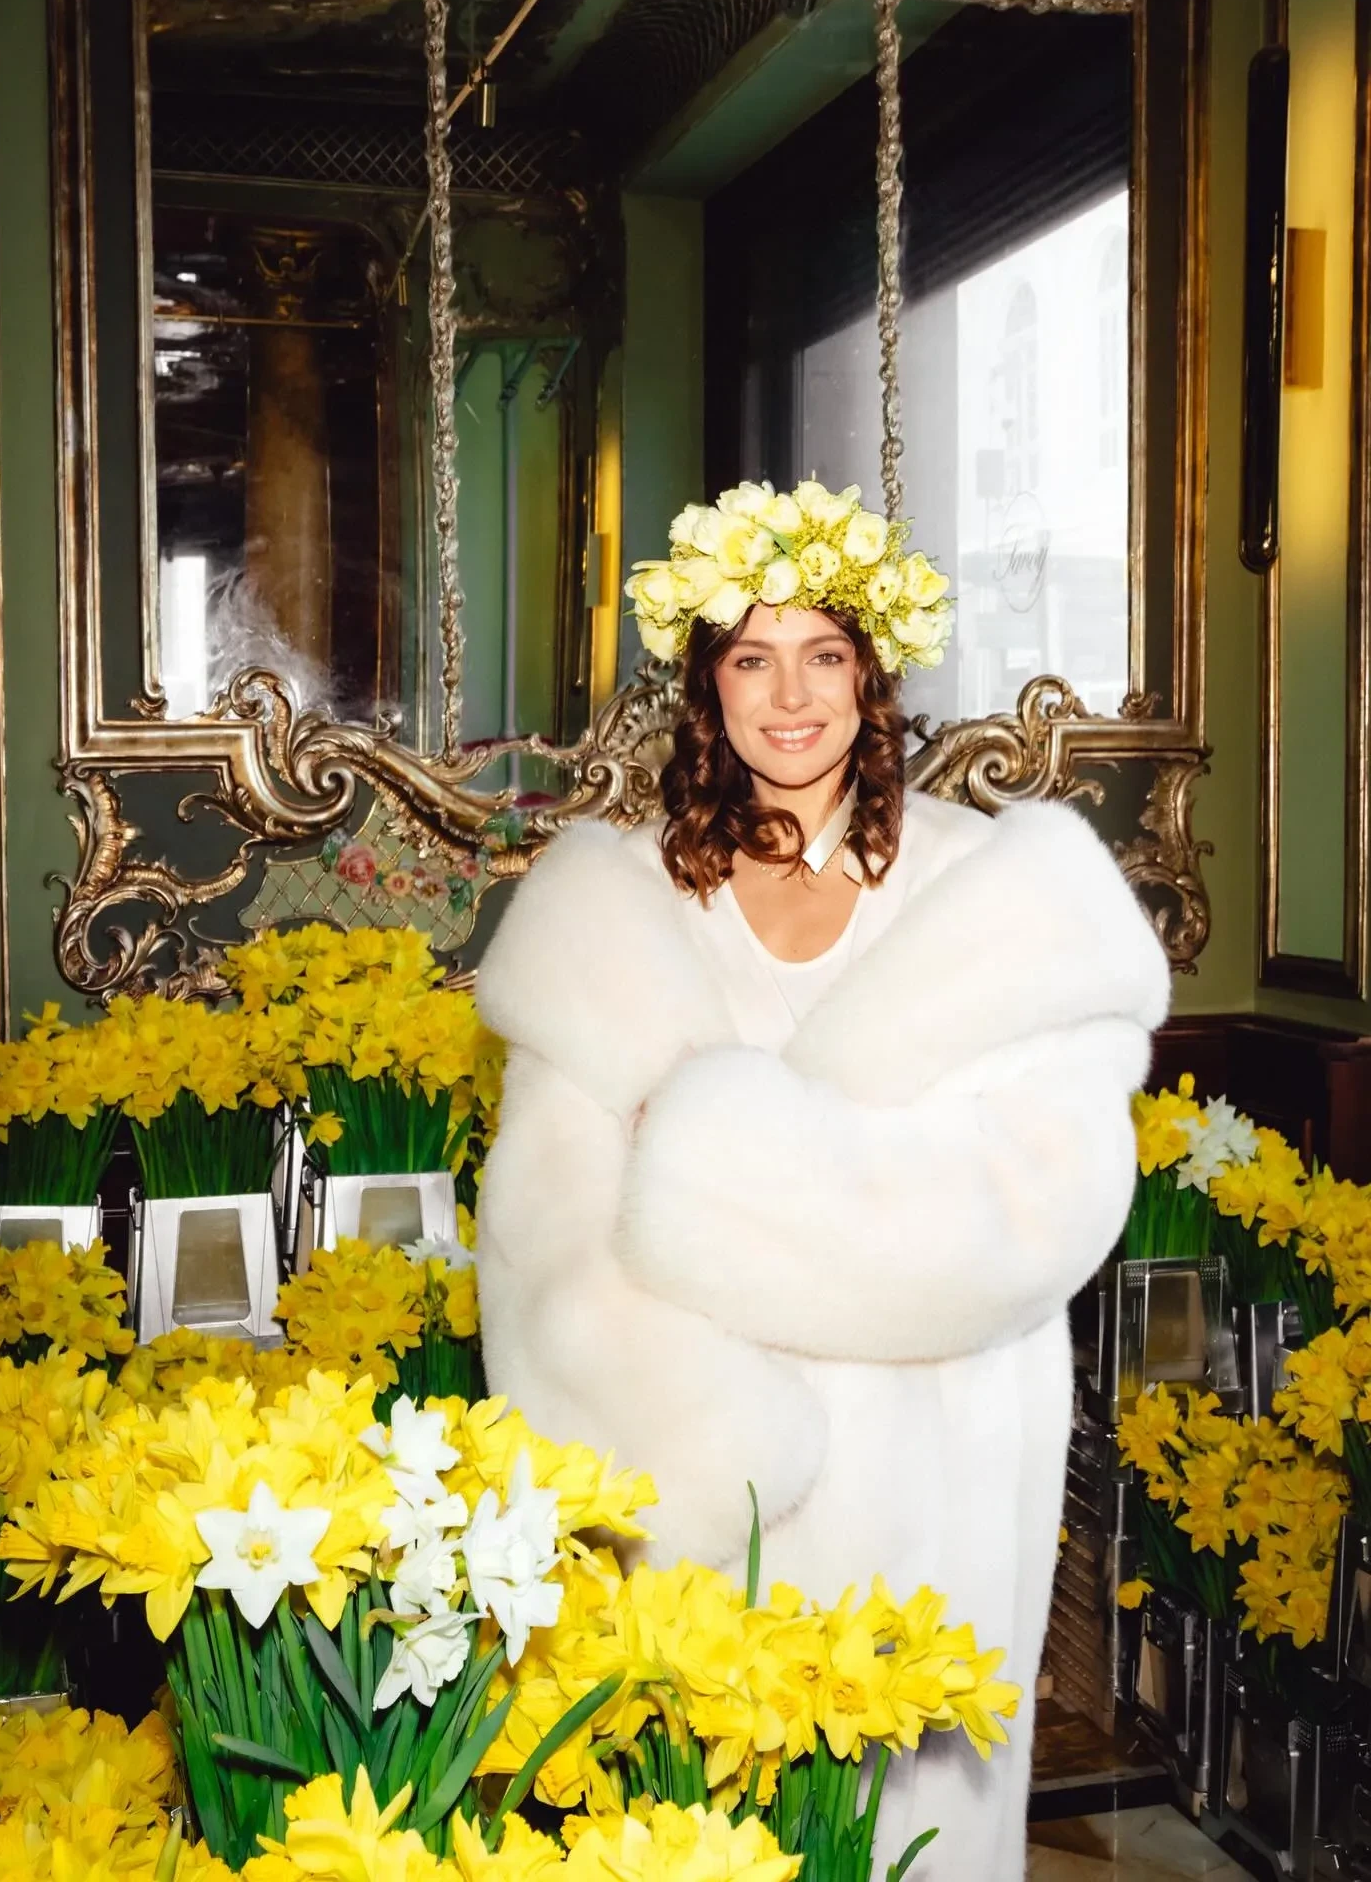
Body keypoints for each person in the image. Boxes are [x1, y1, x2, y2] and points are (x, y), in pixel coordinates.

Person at [474, 478, 1169, 1879]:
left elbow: (1044, 1194)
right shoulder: (621, 905)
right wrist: (704, 1417)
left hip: (950, 1456)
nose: (790, 698)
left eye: (824, 655)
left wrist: (708, 1169)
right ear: (707, 688)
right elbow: (545, 1233)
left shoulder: (986, 889)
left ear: (871, 675)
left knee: (925, 1831)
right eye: (752, 658)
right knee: (720, 1832)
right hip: (719, 1467)